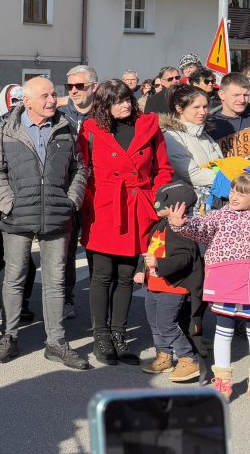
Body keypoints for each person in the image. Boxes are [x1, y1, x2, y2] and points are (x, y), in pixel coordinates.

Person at [0, 77, 89, 369]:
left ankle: (56, 342)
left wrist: (72, 200)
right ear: (27, 101)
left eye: (53, 94)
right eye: (45, 95)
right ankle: (8, 338)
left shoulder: (66, 127)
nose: (52, 100)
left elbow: (79, 168)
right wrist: (7, 202)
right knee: (14, 278)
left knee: (56, 281)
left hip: (57, 212)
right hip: (18, 213)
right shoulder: (4, 131)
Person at [79, 79, 172, 367]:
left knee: (126, 275)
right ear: (104, 104)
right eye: (118, 101)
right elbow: (81, 170)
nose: (125, 105)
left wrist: (155, 198)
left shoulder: (149, 126)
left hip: (138, 206)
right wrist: (88, 202)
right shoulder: (90, 129)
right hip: (104, 208)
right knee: (102, 275)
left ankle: (119, 334)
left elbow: (163, 168)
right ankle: (101, 335)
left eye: (128, 99)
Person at [170, 173, 250, 399]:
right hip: (225, 280)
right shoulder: (220, 215)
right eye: (233, 191)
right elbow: (201, 227)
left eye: (242, 193)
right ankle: (223, 380)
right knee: (223, 331)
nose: (234, 197)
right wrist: (183, 224)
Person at [135, 183, 203, 382]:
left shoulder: (180, 228)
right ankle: (164, 355)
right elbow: (149, 250)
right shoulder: (160, 226)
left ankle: (188, 359)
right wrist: (141, 270)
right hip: (154, 285)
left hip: (173, 286)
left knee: (166, 324)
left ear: (175, 205)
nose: (156, 205)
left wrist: (160, 263)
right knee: (154, 322)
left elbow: (185, 258)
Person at [160, 84, 221, 194]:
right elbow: (192, 175)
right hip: (192, 199)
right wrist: (229, 179)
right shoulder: (171, 137)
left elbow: (217, 164)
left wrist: (224, 173)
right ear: (179, 109)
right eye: (196, 107)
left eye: (205, 106)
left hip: (216, 193)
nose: (203, 112)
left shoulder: (205, 136)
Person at [206, 71, 250, 153]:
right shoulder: (209, 125)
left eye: (246, 95)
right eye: (236, 95)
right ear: (222, 95)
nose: (242, 100)